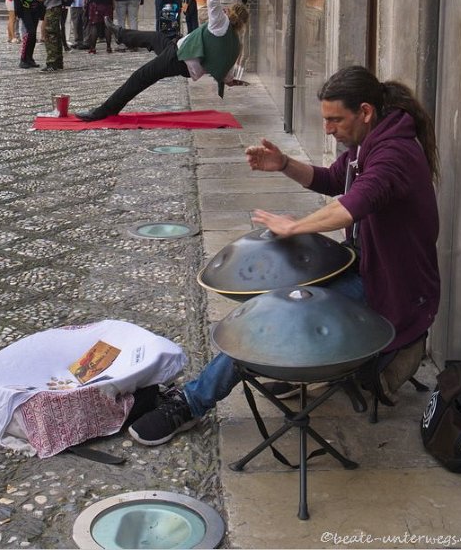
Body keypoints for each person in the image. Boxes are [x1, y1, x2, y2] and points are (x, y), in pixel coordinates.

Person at [126, 66, 441, 446]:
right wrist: (285, 164)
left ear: (365, 112)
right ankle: (285, 365)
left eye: (335, 120)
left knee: (268, 320)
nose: (328, 129)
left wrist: (296, 226)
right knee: (275, 288)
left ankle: (191, 404)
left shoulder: (394, 154)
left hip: (392, 287)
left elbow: (352, 206)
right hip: (366, 265)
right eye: (324, 119)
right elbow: (333, 180)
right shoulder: (368, 141)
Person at [75, 0, 249, 122]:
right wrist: (231, 81)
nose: (224, 10)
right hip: (180, 54)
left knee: (140, 77)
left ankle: (103, 111)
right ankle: (120, 34)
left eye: (227, 10)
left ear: (231, 14)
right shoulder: (235, 43)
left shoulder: (220, 24)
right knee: (155, 38)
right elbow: (226, 73)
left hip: (179, 57)